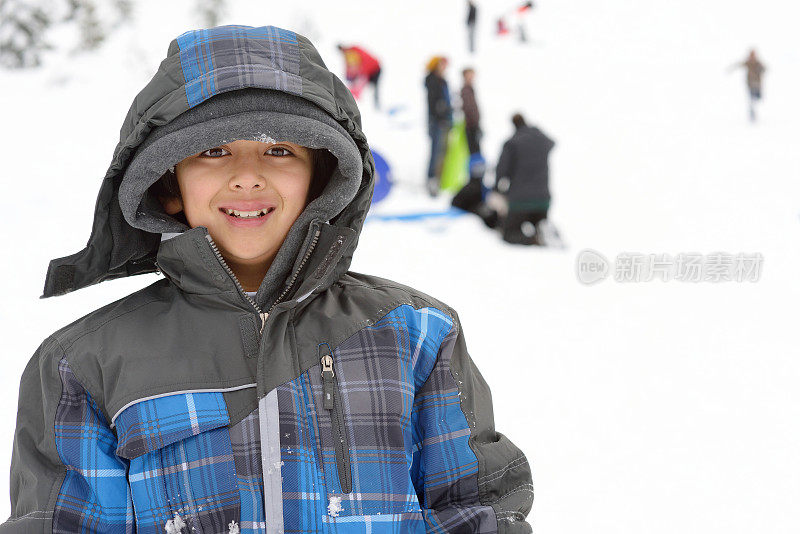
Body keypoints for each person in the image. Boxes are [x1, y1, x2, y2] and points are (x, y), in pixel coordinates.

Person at [1, 25, 533, 533]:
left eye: (280, 151)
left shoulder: (417, 335)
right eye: (213, 151)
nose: (248, 175)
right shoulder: (86, 366)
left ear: (320, 177)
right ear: (167, 184)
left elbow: (473, 510)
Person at [495, 113, 555, 245]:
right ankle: (543, 228)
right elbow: (552, 143)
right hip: (543, 200)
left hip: (520, 201)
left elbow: (501, 171)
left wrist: (497, 188)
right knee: (537, 220)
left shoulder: (512, 143)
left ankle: (534, 239)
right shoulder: (541, 139)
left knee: (508, 233)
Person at [452, 67, 489, 219]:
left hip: (474, 126)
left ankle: (477, 181)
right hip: (471, 127)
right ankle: (475, 182)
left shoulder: (470, 89)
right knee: (474, 154)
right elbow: (469, 109)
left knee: (477, 154)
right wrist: (474, 124)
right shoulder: (466, 90)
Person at [424, 56, 453, 196]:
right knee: (436, 152)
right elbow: (435, 103)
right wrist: (441, 112)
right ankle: (431, 180)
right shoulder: (432, 81)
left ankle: (440, 179)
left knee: (442, 152)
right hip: (437, 122)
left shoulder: (442, 81)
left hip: (445, 121)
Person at [337, 43, 382, 108]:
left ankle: (376, 106)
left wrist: (359, 73)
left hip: (375, 68)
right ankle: (360, 102)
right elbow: (349, 66)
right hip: (369, 71)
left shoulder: (354, 50)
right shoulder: (348, 54)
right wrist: (348, 75)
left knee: (374, 88)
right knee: (363, 87)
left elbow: (363, 61)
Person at [733, 49, 766, 122]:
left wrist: (760, 69)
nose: (752, 57)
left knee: (758, 98)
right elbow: (739, 64)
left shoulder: (758, 63)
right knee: (751, 99)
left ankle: (754, 109)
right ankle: (752, 113)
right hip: (750, 85)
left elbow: (764, 69)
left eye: (753, 55)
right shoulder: (748, 62)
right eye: (751, 55)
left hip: (757, 85)